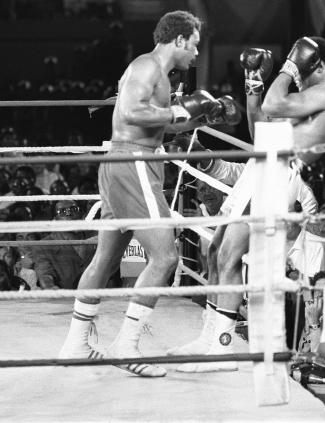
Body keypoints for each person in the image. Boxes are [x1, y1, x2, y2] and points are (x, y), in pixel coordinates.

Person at [58, 11, 238, 377]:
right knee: (165, 257)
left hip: (124, 163)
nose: (197, 54)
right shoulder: (147, 67)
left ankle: (75, 344)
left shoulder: (159, 75)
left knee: (106, 259)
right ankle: (126, 345)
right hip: (134, 164)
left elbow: (159, 127)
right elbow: (130, 111)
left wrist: (204, 117)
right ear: (180, 39)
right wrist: (176, 110)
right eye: (195, 45)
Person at [169, 37, 325, 372]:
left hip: (279, 175)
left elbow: (274, 105)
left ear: (316, 63)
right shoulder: (304, 101)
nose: (295, 77)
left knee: (230, 255)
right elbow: (259, 130)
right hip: (260, 168)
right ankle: (208, 339)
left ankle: (221, 349)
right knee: (215, 251)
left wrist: (287, 68)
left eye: (300, 67)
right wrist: (253, 84)